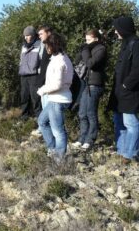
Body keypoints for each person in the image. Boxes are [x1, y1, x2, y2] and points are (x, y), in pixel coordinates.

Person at [37, 33, 73, 161]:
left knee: (58, 131)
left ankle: (59, 159)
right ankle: (53, 150)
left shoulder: (59, 61)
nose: (46, 48)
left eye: (47, 45)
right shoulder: (59, 58)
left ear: (53, 45)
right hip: (55, 99)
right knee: (42, 121)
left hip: (58, 99)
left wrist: (42, 90)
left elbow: (57, 84)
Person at [108, 16, 139, 163]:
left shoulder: (136, 44)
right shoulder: (126, 44)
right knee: (119, 121)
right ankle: (122, 151)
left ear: (124, 29)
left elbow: (137, 69)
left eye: (117, 29)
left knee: (131, 123)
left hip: (129, 92)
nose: (115, 32)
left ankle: (130, 154)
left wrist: (127, 85)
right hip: (120, 92)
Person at [72, 29, 107, 150]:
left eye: (89, 40)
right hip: (85, 84)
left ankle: (90, 139)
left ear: (96, 39)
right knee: (82, 113)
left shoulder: (101, 49)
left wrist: (85, 50)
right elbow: (77, 62)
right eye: (85, 40)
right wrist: (83, 50)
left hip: (95, 84)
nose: (86, 42)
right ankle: (82, 138)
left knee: (91, 113)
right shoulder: (89, 49)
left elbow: (90, 63)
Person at [19, 26, 42, 120]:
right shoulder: (23, 46)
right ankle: (24, 117)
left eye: (27, 35)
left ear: (33, 35)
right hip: (24, 75)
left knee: (35, 98)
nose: (26, 38)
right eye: (25, 36)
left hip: (35, 75)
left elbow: (41, 61)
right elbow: (21, 60)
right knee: (24, 97)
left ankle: (39, 118)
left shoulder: (40, 45)